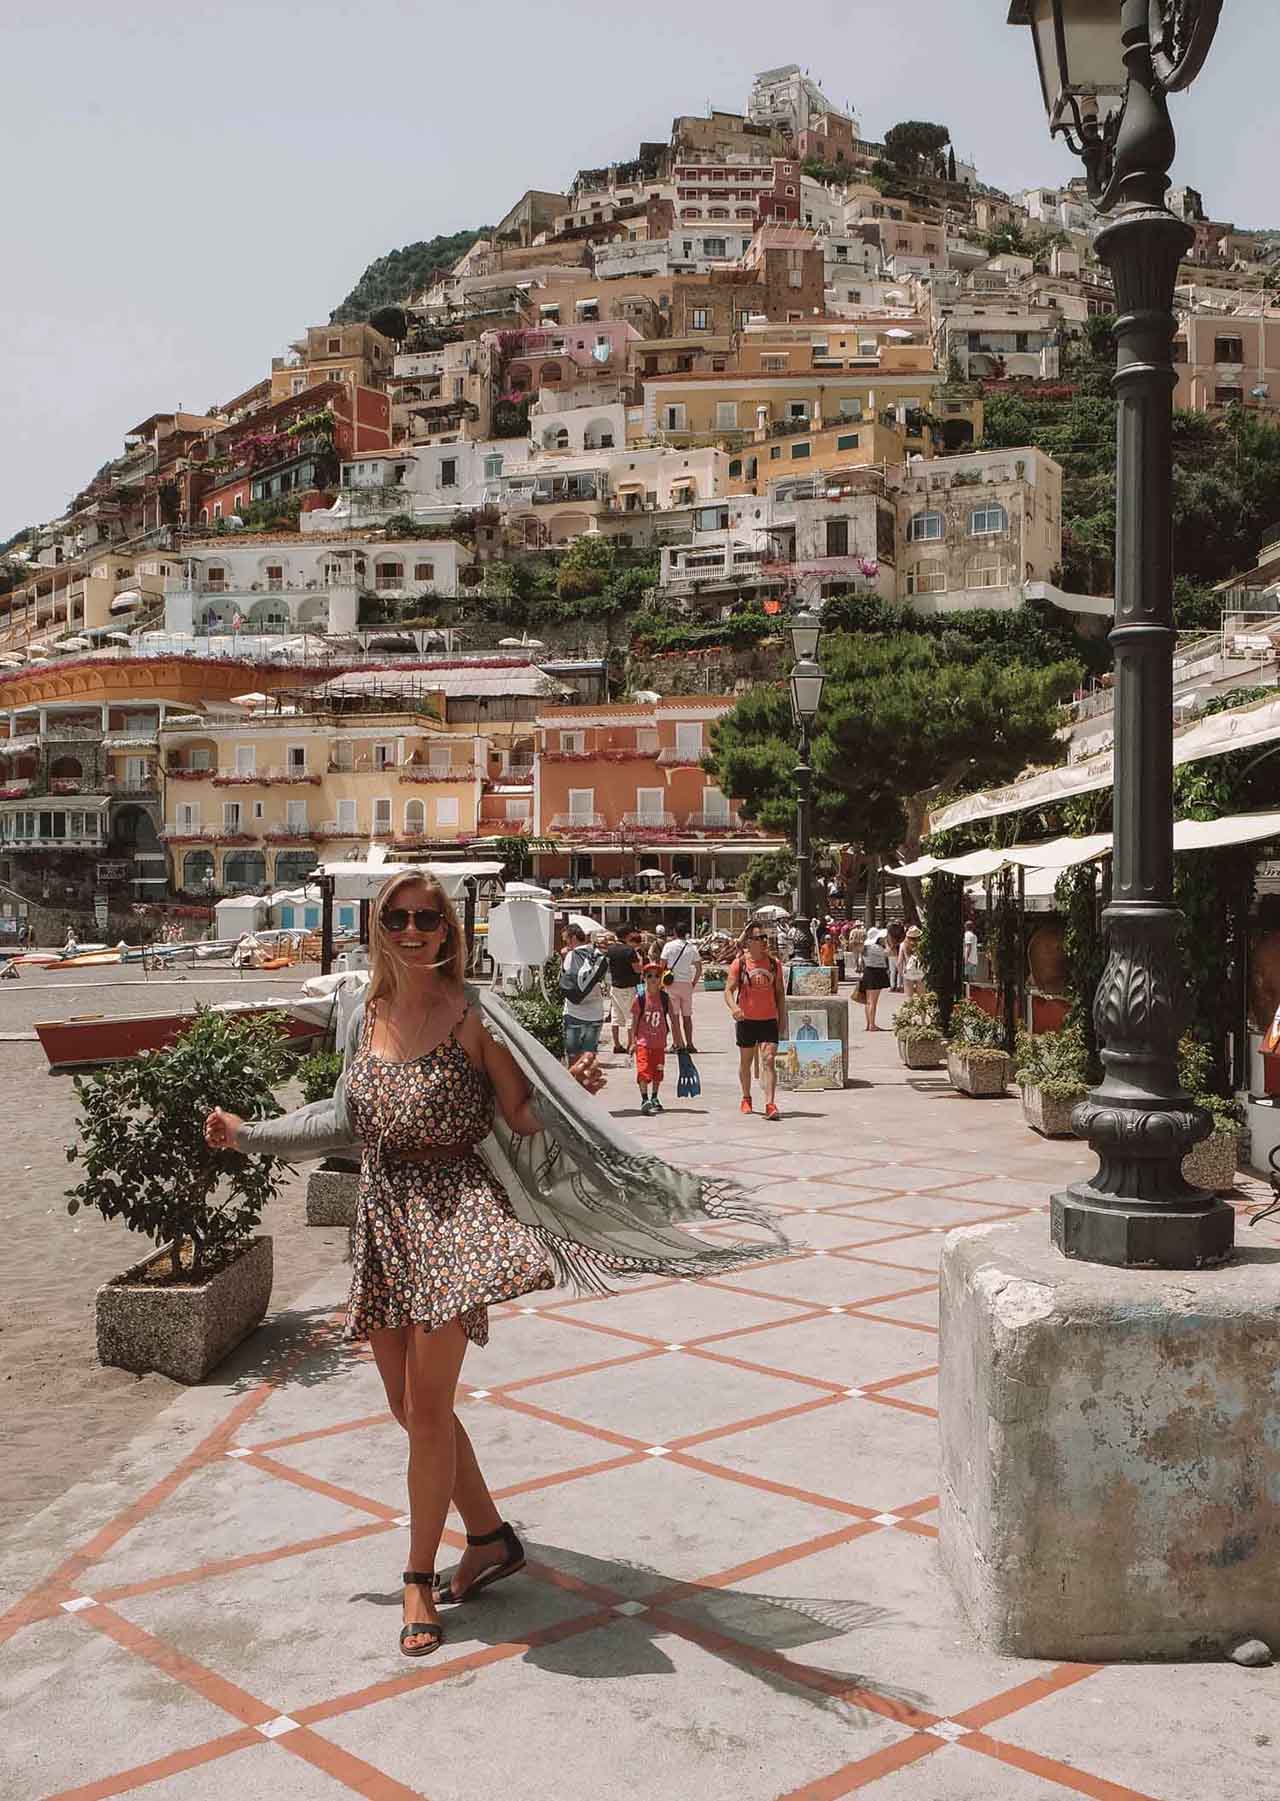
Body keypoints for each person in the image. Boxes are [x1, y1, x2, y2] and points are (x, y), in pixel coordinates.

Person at [205, 872, 786, 1661]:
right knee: (413, 1411)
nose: (414, 930)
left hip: (453, 1218)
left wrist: (565, 1096)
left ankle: (417, 1575)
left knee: (430, 1406)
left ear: (448, 932)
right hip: (384, 1221)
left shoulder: (475, 1017)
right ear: (381, 929)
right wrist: (247, 1133)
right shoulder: (365, 1014)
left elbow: (518, 1110)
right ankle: (489, 1538)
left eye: (427, 918)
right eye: (398, 918)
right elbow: (337, 1119)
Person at [726, 924, 786, 1120]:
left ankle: (770, 1104)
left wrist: (782, 1017)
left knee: (769, 1059)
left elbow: (779, 993)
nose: (763, 941)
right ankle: (746, 1097)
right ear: (749, 942)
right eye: (759, 937)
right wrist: (734, 1009)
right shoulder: (740, 963)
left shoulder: (774, 964)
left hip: (768, 1019)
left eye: (764, 937)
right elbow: (728, 990)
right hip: (747, 1020)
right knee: (746, 1061)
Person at [559, 922, 607, 1065]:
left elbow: (567, 980)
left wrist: (563, 958)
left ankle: (575, 1084)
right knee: (589, 1054)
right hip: (595, 1013)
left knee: (573, 1056)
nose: (566, 943)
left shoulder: (571, 955)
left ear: (573, 938)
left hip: (574, 1012)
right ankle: (587, 1084)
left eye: (566, 940)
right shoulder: (598, 955)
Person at [632, 962, 672, 1115]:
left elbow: (673, 1018)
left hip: (659, 1043)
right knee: (643, 1070)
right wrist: (632, 1041)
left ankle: (655, 1097)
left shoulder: (664, 998)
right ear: (644, 978)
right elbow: (634, 1021)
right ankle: (644, 1098)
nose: (653, 979)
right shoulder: (640, 998)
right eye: (649, 976)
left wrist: (678, 1039)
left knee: (658, 1071)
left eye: (656, 976)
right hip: (643, 1042)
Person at [660, 921, 702, 1052]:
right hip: (686, 984)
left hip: (672, 983)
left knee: (674, 1017)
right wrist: (694, 982)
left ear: (674, 932)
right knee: (687, 1016)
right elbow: (699, 968)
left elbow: (662, 965)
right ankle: (690, 1044)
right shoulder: (692, 947)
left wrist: (660, 983)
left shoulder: (668, 946)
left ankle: (678, 1043)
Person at [604, 929, 643, 1055]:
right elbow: (637, 969)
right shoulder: (629, 950)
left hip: (615, 985)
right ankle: (630, 1043)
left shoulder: (610, 950)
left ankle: (616, 1044)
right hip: (628, 986)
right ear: (627, 936)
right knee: (630, 1016)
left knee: (615, 1016)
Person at [860, 925, 891, 1030]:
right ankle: (872, 1024)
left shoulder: (865, 947)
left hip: (868, 972)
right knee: (873, 1001)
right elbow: (889, 953)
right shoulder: (876, 948)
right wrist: (887, 943)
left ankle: (869, 1023)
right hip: (876, 973)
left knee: (868, 1001)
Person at [902, 924, 925, 997]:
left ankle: (910, 1007)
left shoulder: (904, 944)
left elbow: (900, 961)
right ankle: (920, 1008)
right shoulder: (922, 945)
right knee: (921, 996)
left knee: (909, 997)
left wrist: (901, 972)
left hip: (908, 970)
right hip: (920, 969)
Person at [886, 919, 906, 992]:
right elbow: (902, 941)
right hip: (898, 952)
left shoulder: (889, 933)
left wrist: (892, 946)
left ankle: (892, 986)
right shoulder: (902, 933)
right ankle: (898, 986)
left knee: (892, 971)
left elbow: (889, 943)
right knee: (899, 971)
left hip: (891, 953)